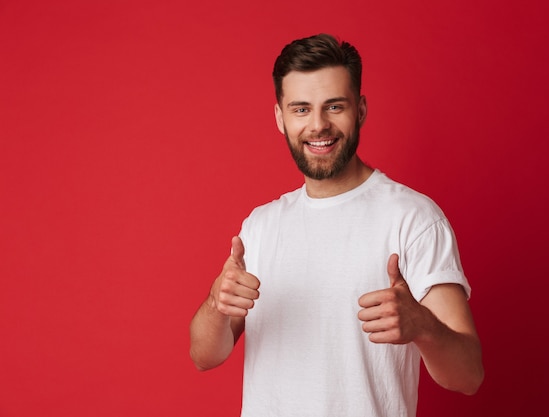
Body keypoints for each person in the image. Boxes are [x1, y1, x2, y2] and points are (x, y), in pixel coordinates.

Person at [189, 33, 484, 417]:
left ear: (359, 110)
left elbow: (468, 376)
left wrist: (423, 325)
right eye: (300, 109)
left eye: (334, 106)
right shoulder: (260, 227)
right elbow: (203, 356)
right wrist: (217, 302)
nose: (318, 125)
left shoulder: (414, 218)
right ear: (280, 118)